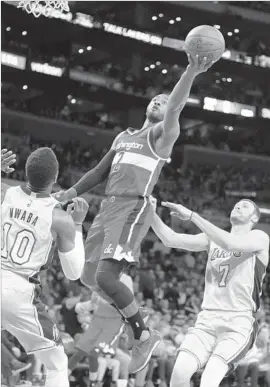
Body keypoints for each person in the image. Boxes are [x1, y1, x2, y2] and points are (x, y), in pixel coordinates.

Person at [55, 54, 215, 373]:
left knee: (104, 276)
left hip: (132, 207)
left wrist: (190, 72)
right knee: (87, 276)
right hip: (107, 206)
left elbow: (174, 109)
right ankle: (133, 322)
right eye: (156, 97)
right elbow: (100, 171)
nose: (160, 100)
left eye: (166, 100)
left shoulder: (161, 137)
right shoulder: (123, 136)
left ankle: (142, 334)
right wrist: (69, 192)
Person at [150, 197, 269, 387]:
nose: (238, 206)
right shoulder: (211, 240)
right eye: (236, 204)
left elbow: (230, 244)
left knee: (209, 379)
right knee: (179, 373)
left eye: (245, 205)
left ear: (254, 218)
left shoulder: (259, 237)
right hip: (207, 319)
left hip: (238, 322)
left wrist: (192, 216)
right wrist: (150, 213)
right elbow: (170, 239)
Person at [1, 147, 89, 387]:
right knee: (57, 362)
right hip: (19, 291)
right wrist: (78, 224)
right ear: (55, 177)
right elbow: (73, 272)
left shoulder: (4, 193)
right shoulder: (60, 218)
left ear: (26, 171)